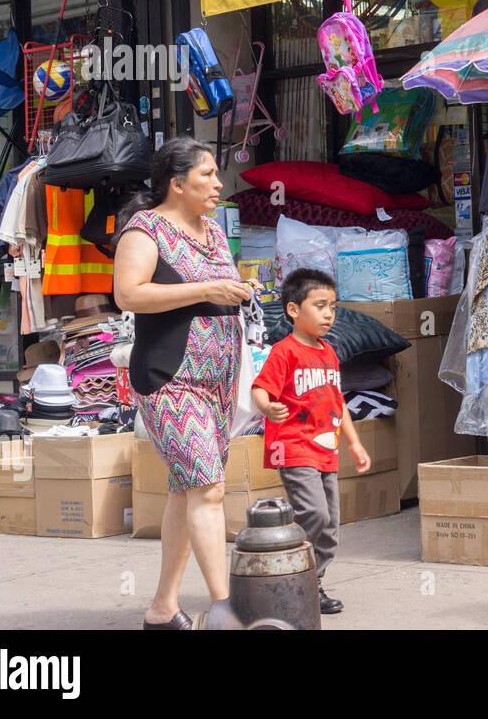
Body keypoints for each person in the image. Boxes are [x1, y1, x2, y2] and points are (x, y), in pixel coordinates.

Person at [113, 137, 251, 630]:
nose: (218, 183)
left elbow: (215, 292)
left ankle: (162, 609)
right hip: (170, 378)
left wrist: (237, 291)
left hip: (218, 383)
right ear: (176, 183)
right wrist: (207, 289)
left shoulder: (212, 231)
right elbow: (128, 294)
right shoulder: (144, 229)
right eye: (207, 174)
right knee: (208, 490)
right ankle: (227, 608)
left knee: (186, 491)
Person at [252, 268, 370, 615]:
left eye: (332, 306)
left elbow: (338, 402)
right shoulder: (284, 352)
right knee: (314, 513)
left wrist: (355, 443)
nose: (329, 314)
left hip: (326, 449)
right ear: (293, 309)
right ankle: (285, 572)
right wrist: (267, 407)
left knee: (330, 524)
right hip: (293, 446)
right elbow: (260, 387)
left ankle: (310, 583)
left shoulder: (329, 353)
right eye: (319, 306)